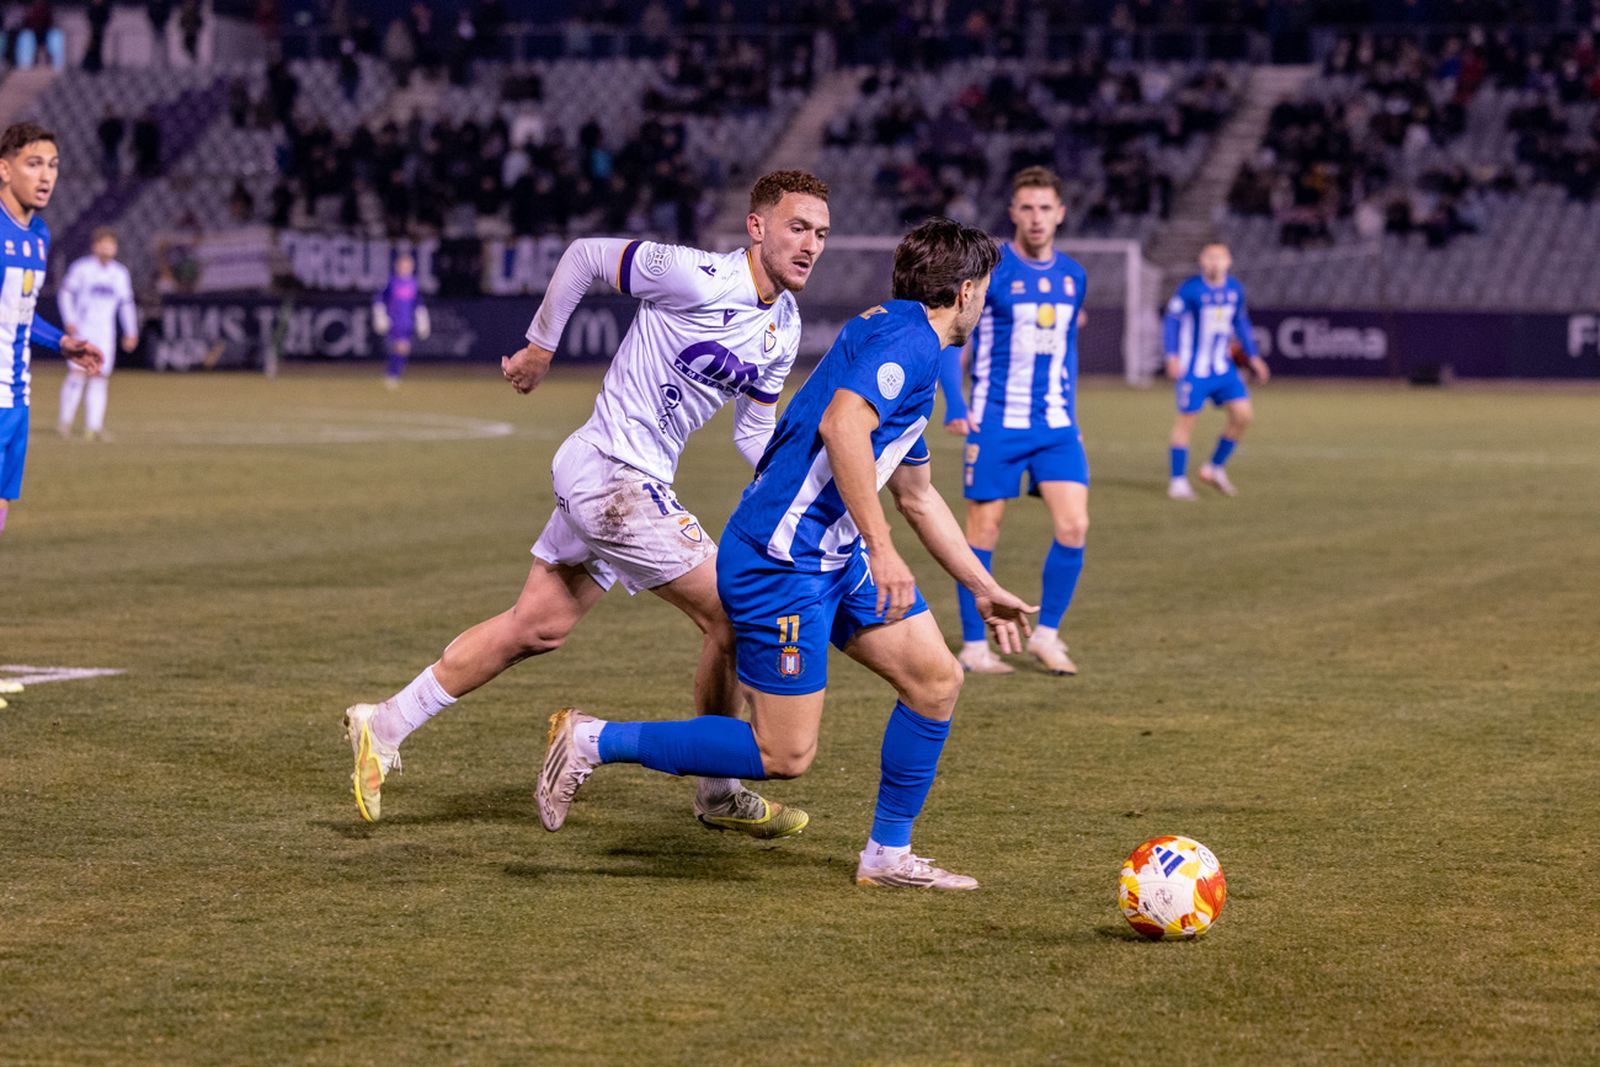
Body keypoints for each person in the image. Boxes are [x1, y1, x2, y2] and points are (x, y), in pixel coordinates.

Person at [536, 217, 1038, 891]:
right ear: (969, 290)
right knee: (784, 752)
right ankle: (592, 739)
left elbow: (917, 495)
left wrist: (981, 585)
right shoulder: (910, 340)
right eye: (989, 289)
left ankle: (887, 856)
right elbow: (842, 425)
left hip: (832, 552)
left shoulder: (897, 334)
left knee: (936, 680)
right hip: (783, 559)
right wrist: (883, 550)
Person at [343, 171, 832, 834]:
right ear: (757, 227)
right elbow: (585, 257)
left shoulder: (787, 325)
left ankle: (386, 722)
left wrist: (802, 479)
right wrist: (541, 348)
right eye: (797, 227)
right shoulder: (695, 276)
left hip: (629, 483)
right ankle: (716, 788)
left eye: (821, 233)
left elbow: (753, 428)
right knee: (737, 611)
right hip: (612, 476)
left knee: (537, 625)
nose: (811, 244)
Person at [938, 166, 1089, 677]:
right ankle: (975, 646)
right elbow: (951, 339)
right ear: (1013, 213)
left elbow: (1065, 346)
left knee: (1074, 526)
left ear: (1060, 213)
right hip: (997, 422)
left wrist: (1074, 412)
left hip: (1056, 425)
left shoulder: (1074, 276)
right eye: (1027, 207)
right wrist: (957, 408)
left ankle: (1046, 635)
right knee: (983, 532)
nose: (1036, 217)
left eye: (1045, 207)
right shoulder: (991, 271)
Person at [0, 123, 106, 540]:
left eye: (53, 166)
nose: (46, 176)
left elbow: (18, 315)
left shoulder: (39, 236)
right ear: (4, 170)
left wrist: (62, 342)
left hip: (15, 394)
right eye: (34, 164)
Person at [1163, 243, 1269, 500]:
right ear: (1201, 261)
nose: (1214, 262)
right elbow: (1171, 322)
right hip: (1194, 370)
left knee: (1243, 415)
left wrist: (1253, 357)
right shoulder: (1190, 290)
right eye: (1210, 257)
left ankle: (1213, 468)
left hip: (1223, 369)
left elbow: (1241, 323)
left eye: (1219, 258)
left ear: (1228, 261)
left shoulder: (1234, 289)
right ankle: (1177, 482)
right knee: (1186, 422)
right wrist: (1172, 355)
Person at [57, 227, 137, 441]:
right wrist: (70, 320)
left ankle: (93, 426)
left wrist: (131, 330)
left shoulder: (119, 273)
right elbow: (65, 294)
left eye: (111, 243)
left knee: (100, 377)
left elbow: (126, 304)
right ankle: (65, 422)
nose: (107, 247)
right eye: (103, 243)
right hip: (83, 330)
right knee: (76, 375)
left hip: (105, 334)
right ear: (95, 246)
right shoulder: (82, 269)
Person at [371, 253, 427, 389]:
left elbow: (418, 303)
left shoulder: (413, 283)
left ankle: (394, 374)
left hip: (408, 321)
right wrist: (380, 315)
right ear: (397, 266)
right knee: (401, 347)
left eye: (408, 265)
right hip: (395, 321)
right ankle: (392, 375)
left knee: (404, 349)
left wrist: (422, 319)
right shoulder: (392, 282)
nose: (406, 268)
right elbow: (379, 298)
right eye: (403, 265)